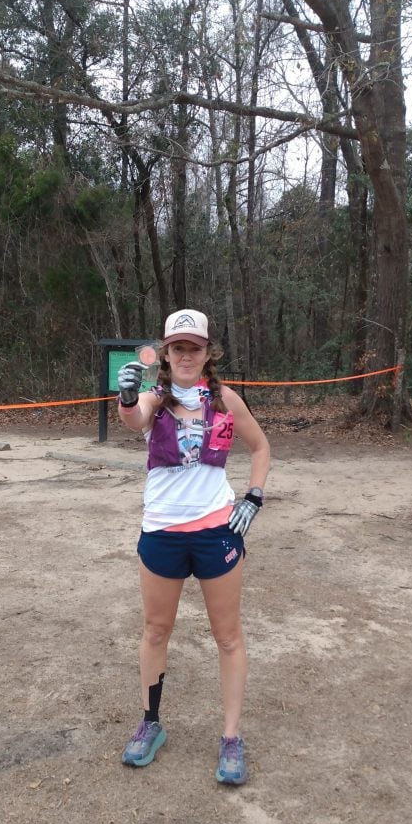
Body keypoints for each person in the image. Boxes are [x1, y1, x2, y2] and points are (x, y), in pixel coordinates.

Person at [116, 309, 271, 785]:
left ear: (207, 352)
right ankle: (150, 723)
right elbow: (132, 420)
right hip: (161, 532)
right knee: (155, 631)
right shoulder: (153, 398)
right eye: (177, 348)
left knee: (228, 636)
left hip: (216, 532)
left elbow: (261, 448)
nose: (186, 355)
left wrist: (254, 497)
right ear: (166, 353)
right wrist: (125, 395)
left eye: (194, 348)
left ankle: (230, 737)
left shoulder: (224, 399)